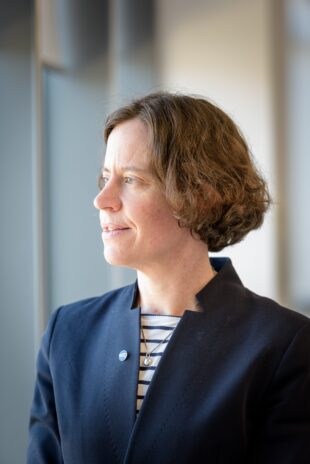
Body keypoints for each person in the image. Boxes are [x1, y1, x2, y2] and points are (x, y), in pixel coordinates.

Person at [27, 92, 310, 463]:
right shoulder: (67, 333)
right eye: (106, 177)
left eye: (131, 179)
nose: (102, 200)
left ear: (201, 194)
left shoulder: (285, 345)